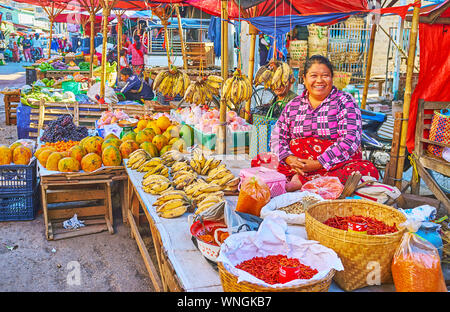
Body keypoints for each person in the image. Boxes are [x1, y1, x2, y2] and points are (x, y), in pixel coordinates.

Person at [272, 55, 379, 192]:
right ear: (304, 79)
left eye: (325, 75)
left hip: (334, 165)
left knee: (366, 170)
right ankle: (308, 180)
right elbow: (278, 136)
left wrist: (319, 163)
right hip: (296, 165)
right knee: (261, 160)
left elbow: (350, 139)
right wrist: (288, 158)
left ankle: (302, 181)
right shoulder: (293, 105)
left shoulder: (345, 101)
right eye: (313, 76)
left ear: (332, 78)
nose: (319, 80)